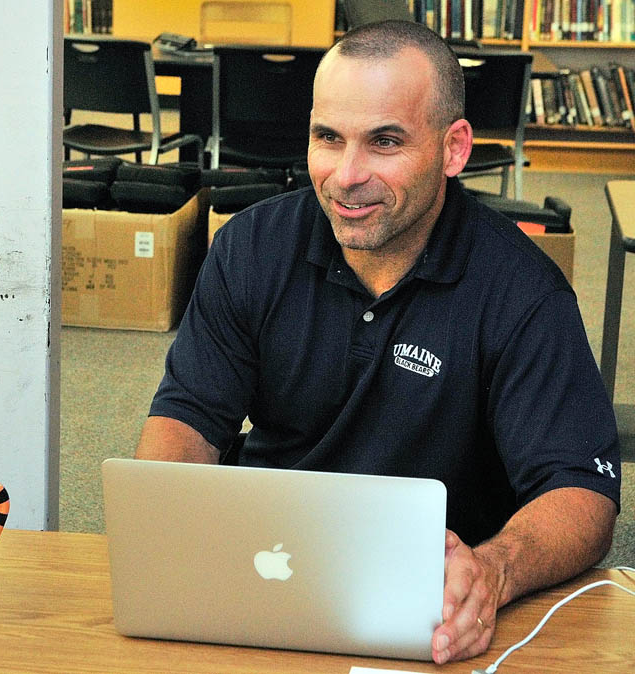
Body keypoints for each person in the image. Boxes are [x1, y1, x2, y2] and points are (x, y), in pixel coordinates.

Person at [136, 20, 620, 664]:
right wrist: (165, 532)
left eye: (384, 142)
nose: (346, 175)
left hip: (432, 601)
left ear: (454, 149)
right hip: (265, 569)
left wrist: (495, 569)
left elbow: (581, 490)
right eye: (327, 138)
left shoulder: (523, 292)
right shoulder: (248, 248)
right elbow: (187, 417)